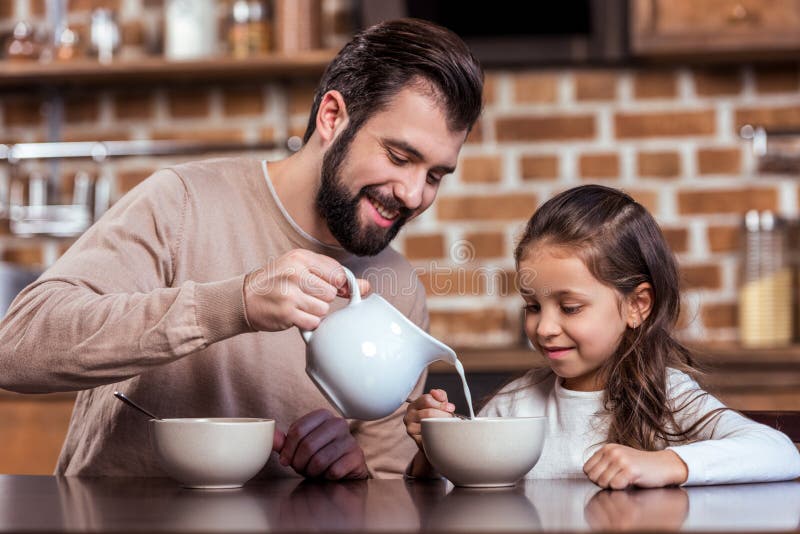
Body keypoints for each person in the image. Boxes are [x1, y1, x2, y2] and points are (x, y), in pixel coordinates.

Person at [0, 18, 483, 480]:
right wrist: (236, 303)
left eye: (435, 175)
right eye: (400, 157)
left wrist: (349, 471)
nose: (415, 194)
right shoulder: (184, 201)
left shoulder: (397, 294)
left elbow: (384, 494)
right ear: (332, 117)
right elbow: (16, 350)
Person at [405, 185, 800, 488]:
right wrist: (434, 448)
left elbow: (782, 454)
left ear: (637, 306)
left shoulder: (669, 397)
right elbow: (456, 493)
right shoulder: (515, 405)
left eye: (570, 307)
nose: (544, 328)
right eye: (533, 306)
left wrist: (668, 464)